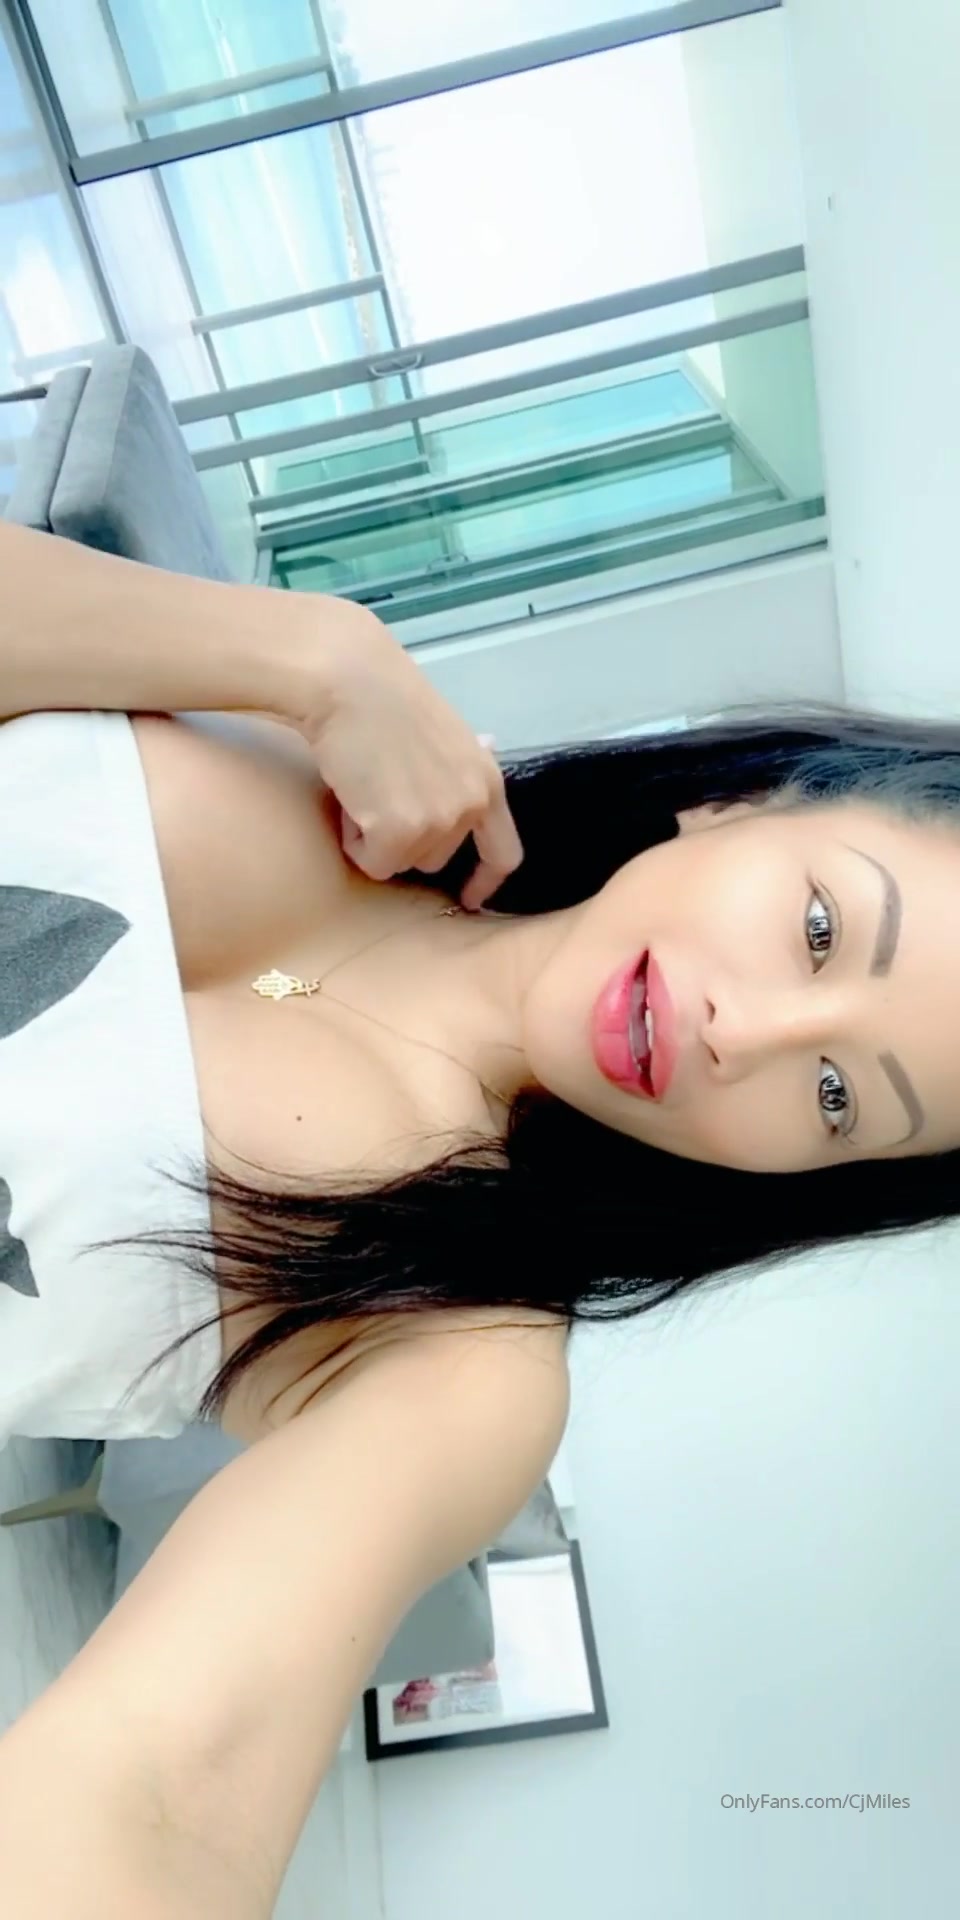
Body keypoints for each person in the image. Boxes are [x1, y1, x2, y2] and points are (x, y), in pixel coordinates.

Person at [0, 517, 958, 1911]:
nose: (744, 1033)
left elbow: (167, 1789)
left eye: (836, 1096)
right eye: (820, 931)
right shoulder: (307, 741)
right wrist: (307, 652)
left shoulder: (465, 1352)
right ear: (744, 803)